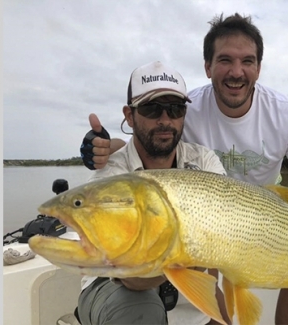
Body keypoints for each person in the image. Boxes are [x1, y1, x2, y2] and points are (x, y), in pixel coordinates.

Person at [79, 13, 288, 325]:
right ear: (208, 66)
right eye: (225, 60)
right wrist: (108, 149)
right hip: (213, 220)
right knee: (204, 245)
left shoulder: (285, 113)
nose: (237, 71)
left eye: (248, 61)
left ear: (258, 67)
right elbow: (146, 145)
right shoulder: (193, 109)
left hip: (265, 215)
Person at [77, 61, 232, 325]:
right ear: (129, 115)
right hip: (114, 291)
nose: (165, 120)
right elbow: (134, 278)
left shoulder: (204, 162)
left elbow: (224, 229)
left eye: (175, 109)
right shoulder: (111, 175)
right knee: (141, 311)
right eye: (151, 108)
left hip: (187, 301)